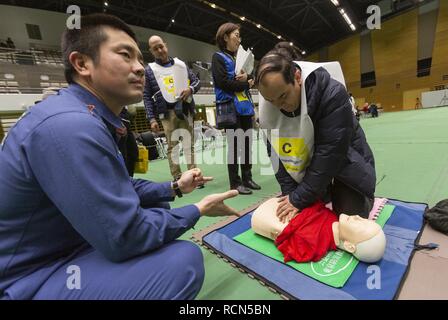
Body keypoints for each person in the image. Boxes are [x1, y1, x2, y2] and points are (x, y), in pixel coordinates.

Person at [0, 13, 240, 300]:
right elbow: (125, 237)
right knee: (182, 264)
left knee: (159, 202)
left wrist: (174, 188)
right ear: (82, 64)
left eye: (140, 58)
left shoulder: (87, 115)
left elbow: (119, 184)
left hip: (68, 245)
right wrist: (197, 209)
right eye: (125, 55)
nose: (139, 68)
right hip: (30, 277)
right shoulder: (69, 126)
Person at [255, 47, 376, 222]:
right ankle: (321, 192)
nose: (278, 105)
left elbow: (330, 155)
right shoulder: (268, 111)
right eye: (270, 101)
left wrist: (298, 198)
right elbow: (278, 158)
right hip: (310, 164)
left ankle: (357, 196)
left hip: (346, 160)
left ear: (297, 78)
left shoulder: (333, 94)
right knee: (300, 216)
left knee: (348, 220)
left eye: (283, 96)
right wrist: (290, 195)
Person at [143, 35, 203, 187]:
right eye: (155, 48)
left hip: (185, 109)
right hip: (166, 114)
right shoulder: (149, 71)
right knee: (172, 146)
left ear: (166, 45)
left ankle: (194, 175)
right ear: (151, 51)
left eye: (161, 46)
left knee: (189, 144)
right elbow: (146, 96)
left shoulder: (181, 65)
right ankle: (178, 177)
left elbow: (197, 82)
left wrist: (191, 89)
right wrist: (152, 119)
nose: (159, 50)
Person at [251, 198, 386, 263]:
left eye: (361, 225)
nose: (357, 217)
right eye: (365, 220)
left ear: (350, 246)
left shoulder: (310, 242)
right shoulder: (333, 216)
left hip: (264, 215)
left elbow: (290, 239)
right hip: (284, 202)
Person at [211, 22, 261, 195]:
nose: (239, 40)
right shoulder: (218, 57)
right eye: (236, 35)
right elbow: (222, 83)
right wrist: (245, 83)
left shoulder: (238, 58)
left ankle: (247, 178)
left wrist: (249, 77)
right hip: (230, 108)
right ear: (225, 37)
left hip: (245, 107)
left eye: (240, 36)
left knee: (247, 145)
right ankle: (235, 182)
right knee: (235, 147)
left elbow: (250, 76)